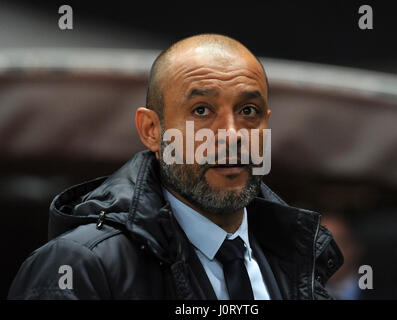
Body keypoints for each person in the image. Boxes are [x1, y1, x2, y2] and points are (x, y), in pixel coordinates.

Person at [8, 34, 343, 300]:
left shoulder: (296, 257)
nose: (231, 135)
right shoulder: (80, 266)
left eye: (249, 111)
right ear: (151, 131)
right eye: (201, 111)